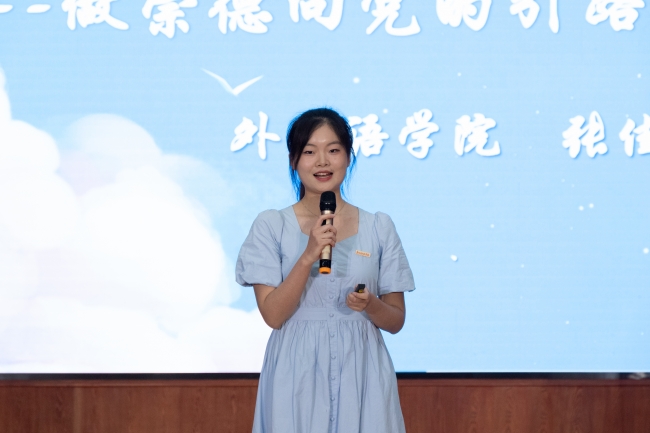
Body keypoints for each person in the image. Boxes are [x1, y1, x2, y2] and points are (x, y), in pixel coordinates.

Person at [236, 107, 415, 433]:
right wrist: (308, 256)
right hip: (296, 372)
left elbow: (396, 320)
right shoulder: (271, 225)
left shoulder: (378, 226)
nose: (322, 162)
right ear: (293, 161)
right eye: (309, 152)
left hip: (362, 372)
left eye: (333, 150)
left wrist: (371, 304)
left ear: (348, 157)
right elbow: (273, 315)